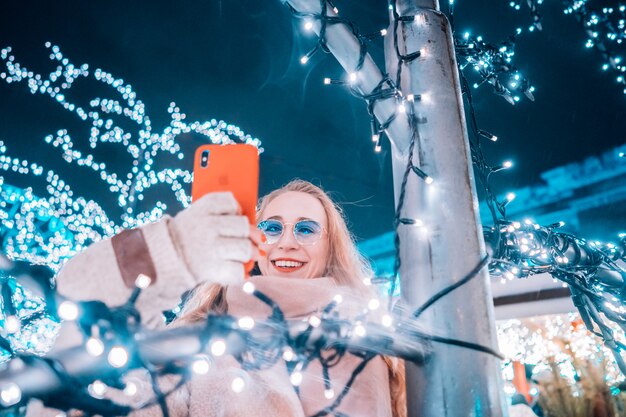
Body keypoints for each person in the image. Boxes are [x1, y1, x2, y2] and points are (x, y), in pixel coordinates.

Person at [28, 179, 406, 417]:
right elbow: (94, 385)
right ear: (255, 242)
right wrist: (171, 248)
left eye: (305, 229)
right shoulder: (203, 338)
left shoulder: (377, 336)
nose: (286, 242)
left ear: (330, 247)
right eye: (271, 228)